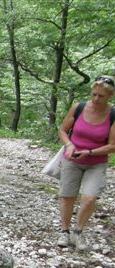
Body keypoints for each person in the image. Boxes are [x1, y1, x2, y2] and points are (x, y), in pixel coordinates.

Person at [57, 75, 115, 251]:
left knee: (90, 198)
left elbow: (113, 145)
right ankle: (65, 231)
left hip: (96, 162)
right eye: (94, 94)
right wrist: (69, 145)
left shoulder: (112, 114)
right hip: (72, 159)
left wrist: (89, 152)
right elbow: (63, 130)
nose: (96, 99)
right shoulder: (79, 108)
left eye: (101, 96)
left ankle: (78, 231)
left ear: (110, 96)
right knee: (68, 196)